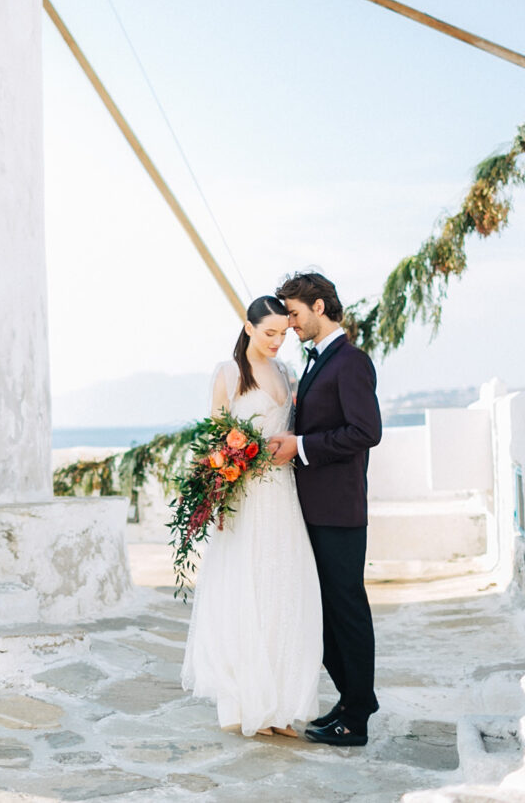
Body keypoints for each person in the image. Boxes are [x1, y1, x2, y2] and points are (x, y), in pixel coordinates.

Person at [181, 295, 323, 738]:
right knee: (248, 594)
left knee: (286, 593)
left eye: (284, 333)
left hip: (283, 498)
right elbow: (213, 440)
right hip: (245, 502)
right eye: (270, 333)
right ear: (248, 328)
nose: (279, 341)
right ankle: (248, 704)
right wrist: (224, 465)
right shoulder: (227, 374)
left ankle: (279, 706)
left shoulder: (286, 372)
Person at [267, 272, 382, 747]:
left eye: (293, 313)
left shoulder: (350, 361)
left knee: (347, 609)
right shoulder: (319, 361)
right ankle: (352, 698)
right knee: (325, 611)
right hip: (315, 508)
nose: (290, 324)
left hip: (339, 509)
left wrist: (302, 446)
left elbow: (366, 431)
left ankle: (357, 718)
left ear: (318, 306)